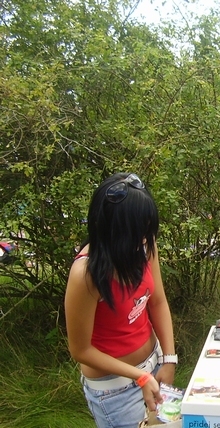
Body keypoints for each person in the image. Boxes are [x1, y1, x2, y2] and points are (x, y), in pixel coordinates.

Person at [65, 173, 177, 428]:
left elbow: (157, 301)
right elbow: (80, 350)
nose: (145, 239)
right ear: (114, 231)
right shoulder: (86, 275)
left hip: (154, 367)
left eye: (148, 231)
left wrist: (169, 359)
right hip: (114, 391)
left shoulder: (146, 247)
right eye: (138, 232)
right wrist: (138, 376)